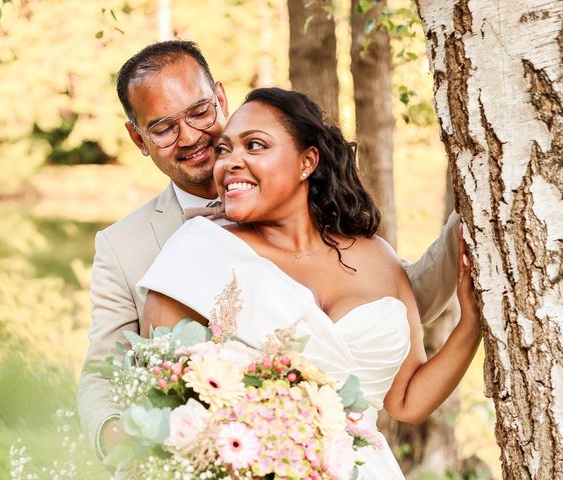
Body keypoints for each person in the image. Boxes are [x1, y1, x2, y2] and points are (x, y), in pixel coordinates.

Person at [77, 40, 461, 460]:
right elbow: (109, 375)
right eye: (165, 128)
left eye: (199, 112)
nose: (190, 136)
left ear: (219, 98)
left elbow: (398, 300)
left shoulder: (341, 233)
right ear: (138, 137)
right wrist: (137, 453)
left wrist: (474, 214)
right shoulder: (134, 247)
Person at [137, 88, 481, 478]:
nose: (231, 162)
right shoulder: (199, 253)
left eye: (254, 145)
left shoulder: (378, 257)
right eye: (224, 150)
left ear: (307, 161)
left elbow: (406, 401)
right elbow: (165, 413)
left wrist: (472, 325)